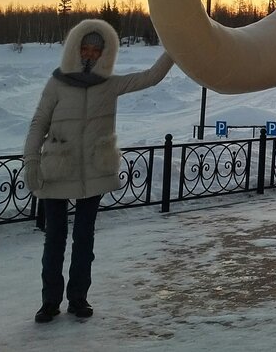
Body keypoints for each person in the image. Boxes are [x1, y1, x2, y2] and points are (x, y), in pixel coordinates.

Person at [22, 18, 172, 323]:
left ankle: (78, 298)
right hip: (57, 169)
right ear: (75, 49)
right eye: (85, 48)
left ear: (105, 53)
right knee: (55, 239)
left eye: (96, 49)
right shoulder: (57, 83)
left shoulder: (110, 85)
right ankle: (49, 301)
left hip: (93, 170)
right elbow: (39, 123)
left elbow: (151, 77)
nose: (90, 54)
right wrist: (31, 163)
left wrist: (176, 48)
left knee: (84, 238)